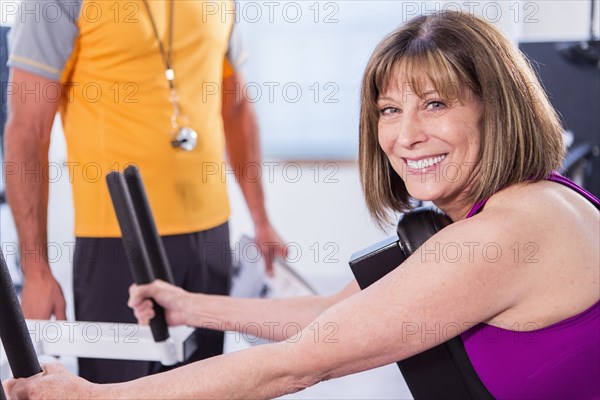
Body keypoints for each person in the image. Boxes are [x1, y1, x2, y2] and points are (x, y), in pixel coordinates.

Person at [4, 10, 599, 399]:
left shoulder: (503, 235)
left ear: (498, 107)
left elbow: (296, 363)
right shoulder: (503, 208)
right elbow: (322, 318)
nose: (405, 136)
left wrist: (93, 396)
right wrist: (188, 306)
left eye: (436, 104)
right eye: (389, 110)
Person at [3, 0, 286, 384]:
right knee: (118, 391)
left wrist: (262, 220)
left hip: (212, 236)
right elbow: (27, 131)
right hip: (115, 244)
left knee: (205, 389)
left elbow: (234, 106)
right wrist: (36, 271)